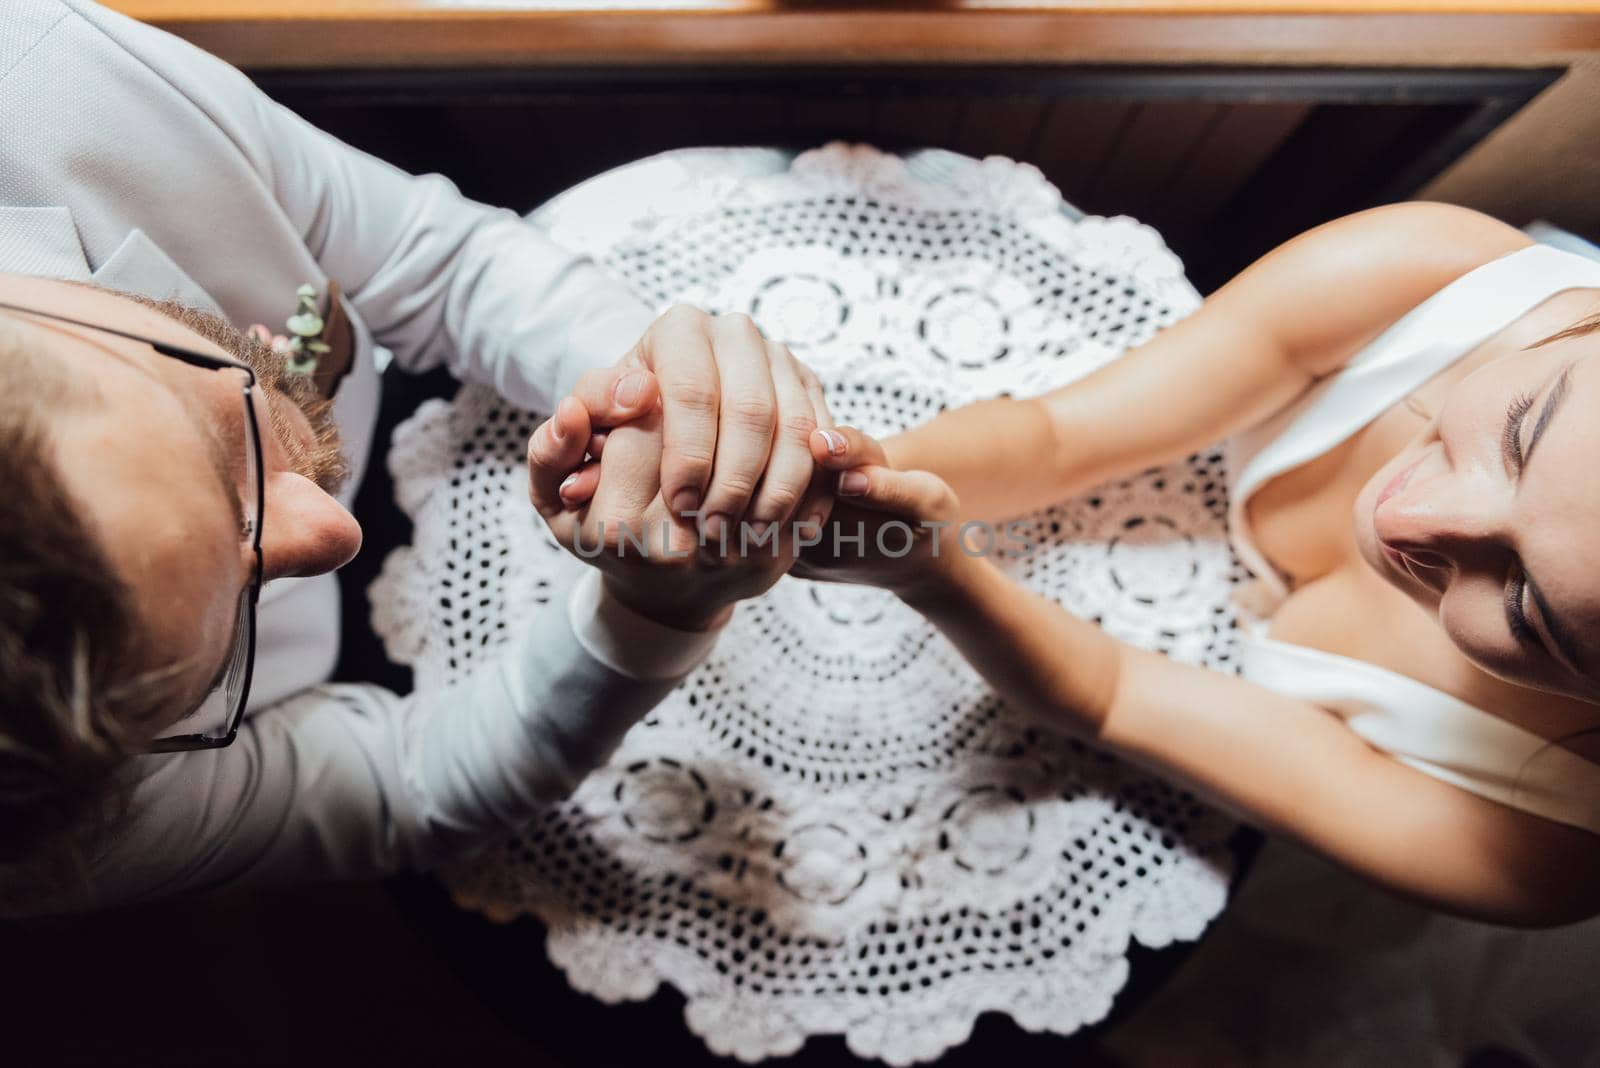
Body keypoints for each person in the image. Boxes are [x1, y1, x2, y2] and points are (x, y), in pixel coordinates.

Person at [554, 200, 1600, 927]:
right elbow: (1061, 435)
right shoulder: (1428, 275)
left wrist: (930, 573)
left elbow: (1111, 693)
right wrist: (843, 478)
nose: (1412, 519)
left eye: (1521, 605)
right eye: (1519, 431)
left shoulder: (1535, 846)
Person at [0, 0, 834, 911]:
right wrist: (650, 616)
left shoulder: (51, 83)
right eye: (204, 673)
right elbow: (405, 785)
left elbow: (435, 260)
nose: (334, 530)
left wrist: (660, 391)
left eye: (219, 444)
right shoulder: (52, 830)